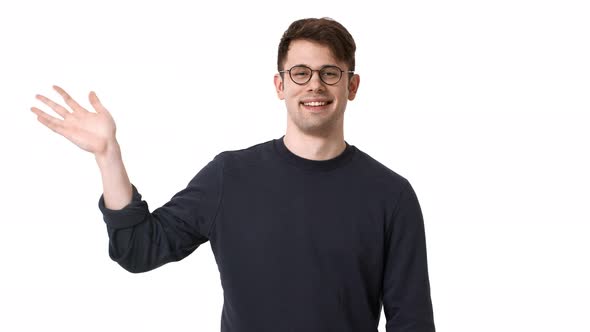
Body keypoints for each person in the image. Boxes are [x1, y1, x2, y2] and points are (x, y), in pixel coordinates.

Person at [31, 17, 435, 332]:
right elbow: (138, 249)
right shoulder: (230, 176)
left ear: (352, 85)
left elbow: (411, 322)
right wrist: (107, 154)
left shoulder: (390, 195)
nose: (315, 84)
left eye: (331, 73)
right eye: (300, 72)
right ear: (280, 85)